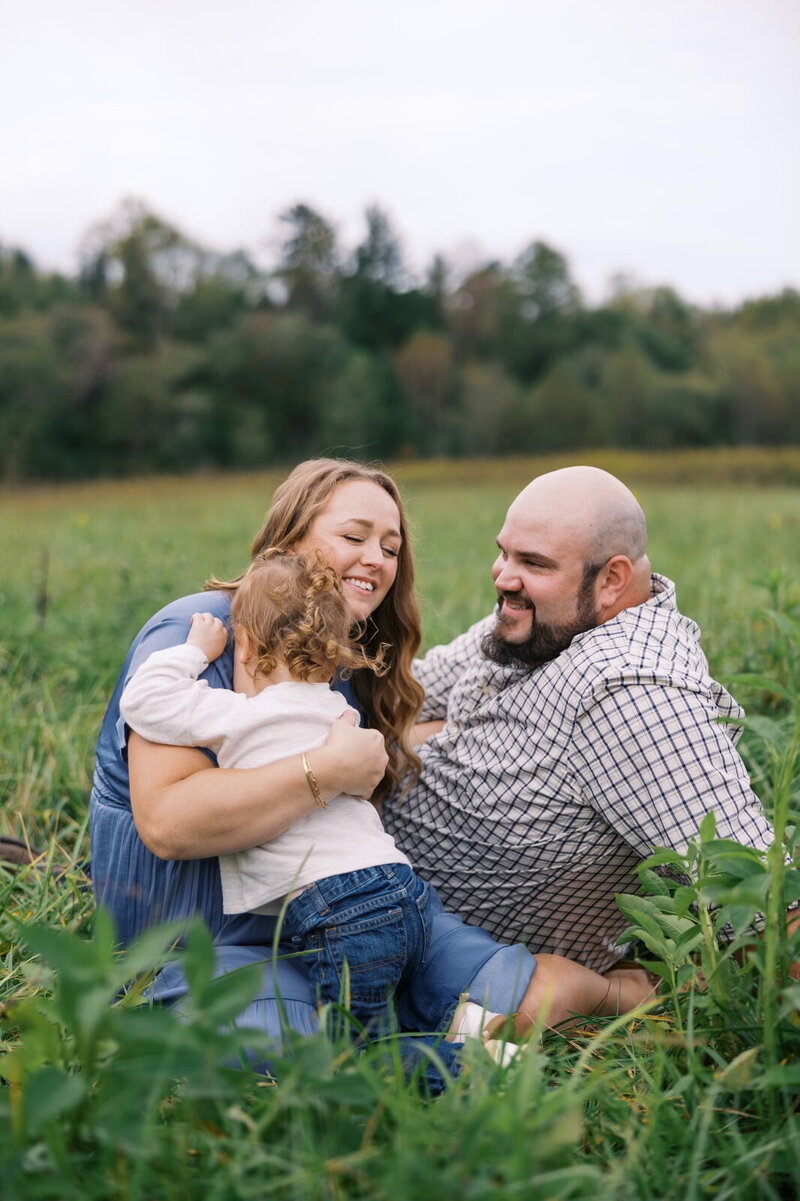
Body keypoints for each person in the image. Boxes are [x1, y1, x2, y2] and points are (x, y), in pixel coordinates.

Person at [382, 464, 777, 993]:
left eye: (533, 563)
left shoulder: (634, 695)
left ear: (612, 579)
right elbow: (402, 698)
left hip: (425, 949)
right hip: (358, 856)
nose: (502, 575)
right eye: (505, 552)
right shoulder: (543, 620)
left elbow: (759, 900)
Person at [118, 550, 440, 1035]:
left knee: (348, 1061)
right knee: (384, 1032)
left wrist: (196, 652)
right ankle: (465, 1045)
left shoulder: (240, 715)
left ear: (244, 647)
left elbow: (144, 702)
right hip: (401, 890)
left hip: (345, 910)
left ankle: (472, 1066)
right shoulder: (339, 714)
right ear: (334, 660)